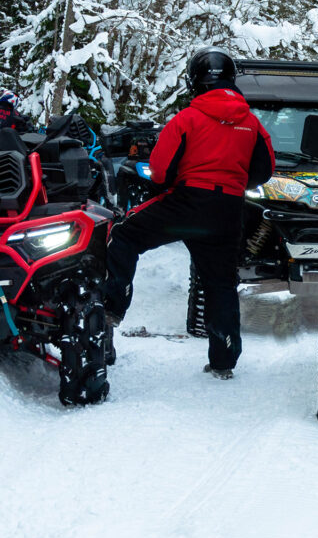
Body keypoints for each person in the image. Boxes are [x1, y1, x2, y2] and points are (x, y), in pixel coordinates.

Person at [102, 47, 274, 379]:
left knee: (124, 234)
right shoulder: (252, 124)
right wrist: (234, 181)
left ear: (194, 81)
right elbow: (264, 170)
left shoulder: (187, 119)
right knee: (221, 283)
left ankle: (112, 307)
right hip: (228, 211)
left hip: (187, 202)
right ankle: (223, 361)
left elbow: (160, 170)